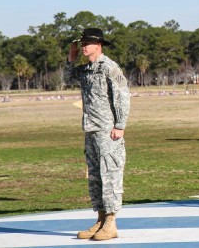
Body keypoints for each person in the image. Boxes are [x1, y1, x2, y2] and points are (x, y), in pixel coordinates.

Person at [64, 28, 130, 241]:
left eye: (87, 43)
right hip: (91, 129)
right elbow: (68, 78)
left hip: (107, 130)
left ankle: (111, 222)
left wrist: (120, 125)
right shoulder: (86, 69)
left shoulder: (109, 67)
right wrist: (71, 58)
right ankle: (100, 219)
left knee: (110, 174)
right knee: (95, 177)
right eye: (82, 42)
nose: (84, 46)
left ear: (98, 44)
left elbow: (122, 96)